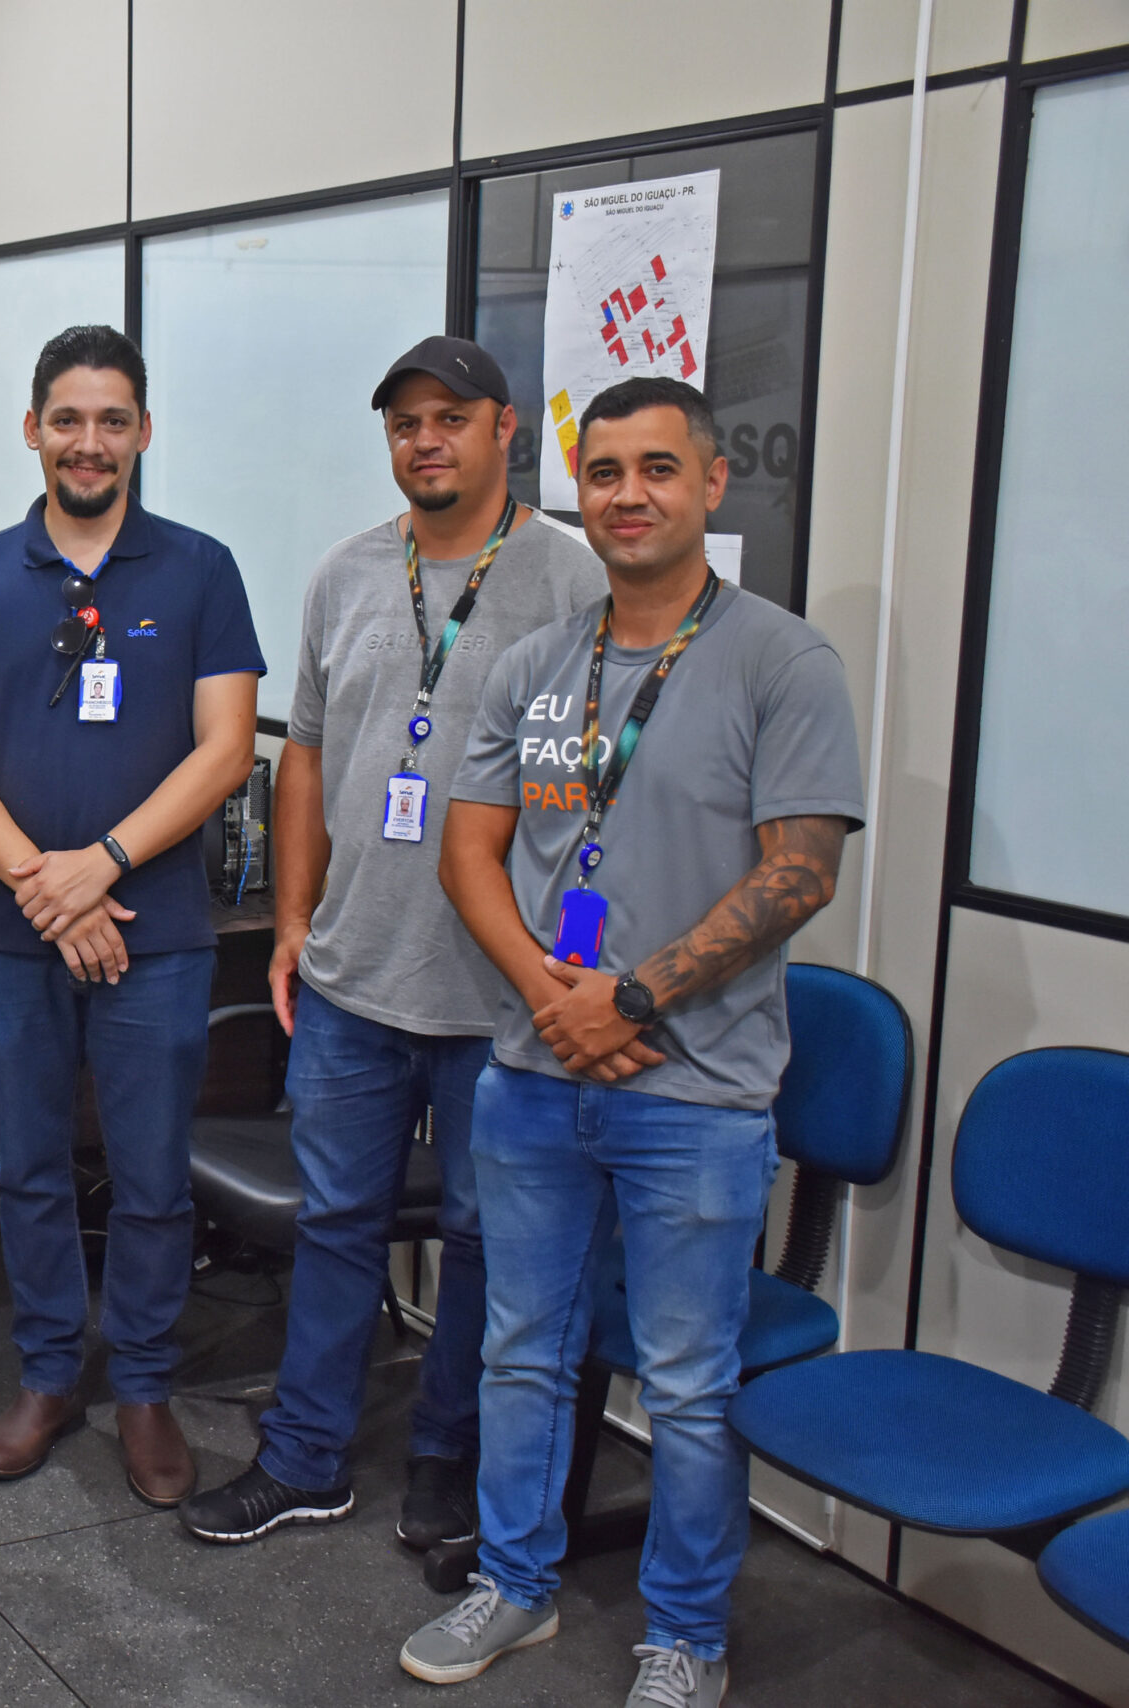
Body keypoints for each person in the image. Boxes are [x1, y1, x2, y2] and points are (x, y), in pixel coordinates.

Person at [399, 377, 861, 1707]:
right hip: (536, 1078)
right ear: (576, 491)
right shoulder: (545, 662)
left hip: (697, 1093)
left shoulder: (783, 660)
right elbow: (471, 847)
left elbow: (801, 872)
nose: (628, 495)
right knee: (522, 1351)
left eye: (658, 468)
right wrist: (553, 998)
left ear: (713, 485)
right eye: (603, 473)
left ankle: (686, 1635)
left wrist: (633, 998)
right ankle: (519, 1583)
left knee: (687, 1385)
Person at [179, 339, 605, 1551]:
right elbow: (303, 754)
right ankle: (306, 1454)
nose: (426, 440)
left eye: (450, 418)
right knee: (335, 1224)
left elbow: (593, 799)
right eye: (406, 422)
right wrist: (296, 919)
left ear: (503, 430)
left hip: (499, 995)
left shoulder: (567, 584)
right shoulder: (349, 572)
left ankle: (442, 1454)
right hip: (354, 979)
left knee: (478, 1240)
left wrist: (567, 953)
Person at [0, 324, 263, 1507]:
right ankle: (50, 1372)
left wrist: (100, 864)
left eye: (113, 419)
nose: (89, 441)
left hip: (151, 934)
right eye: (67, 418)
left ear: (143, 434)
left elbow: (224, 753)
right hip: (12, 939)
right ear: (32, 430)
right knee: (24, 1168)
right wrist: (44, 885)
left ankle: (149, 1386)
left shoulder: (200, 570)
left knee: (153, 1175)